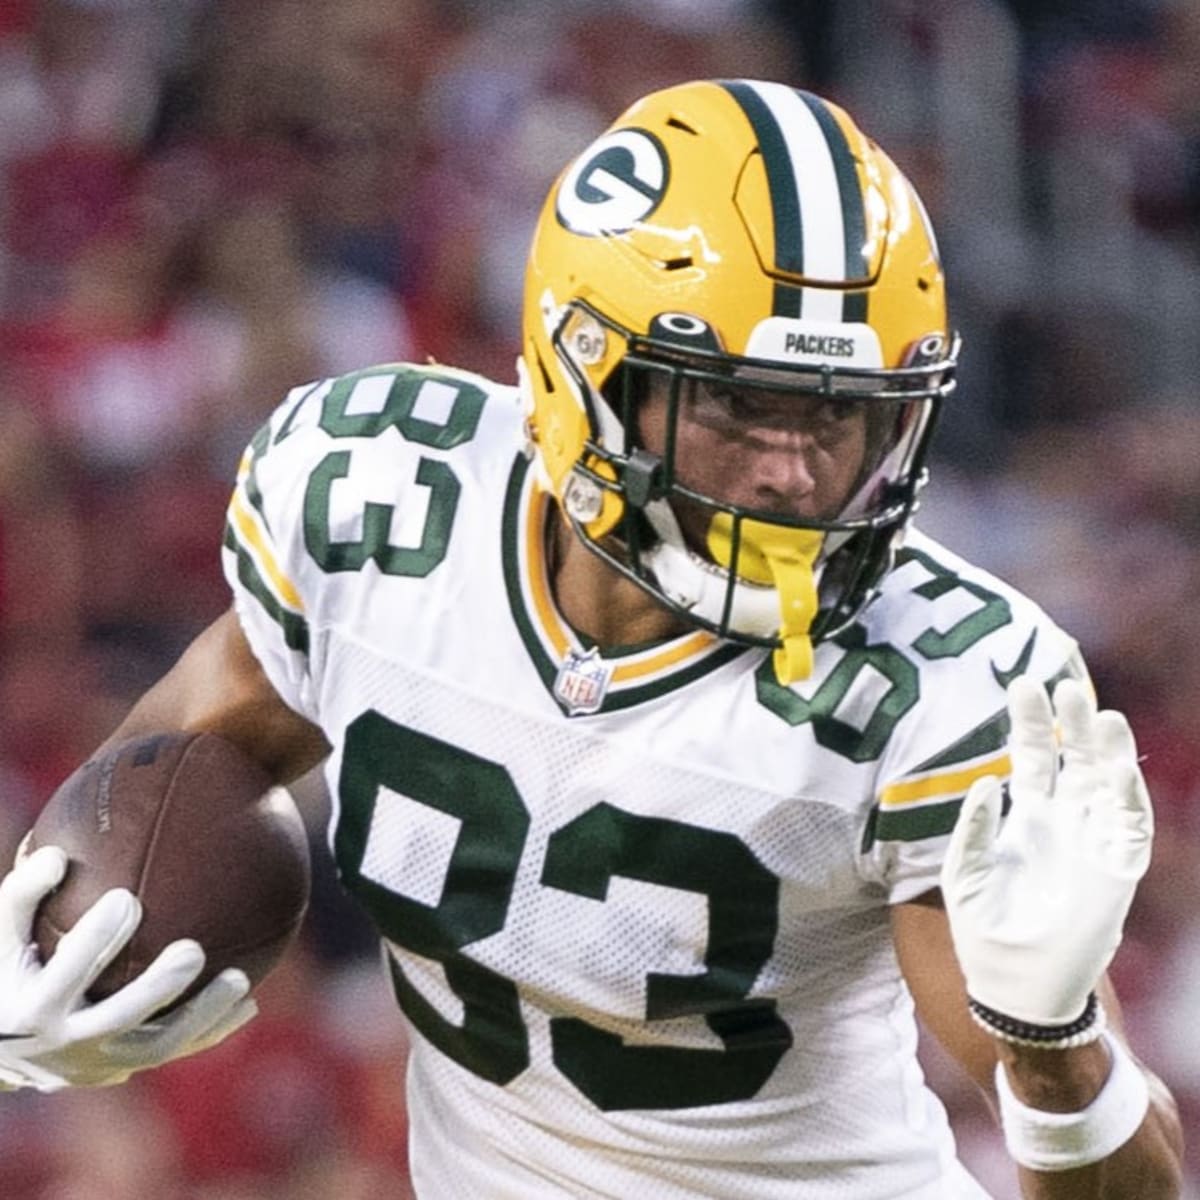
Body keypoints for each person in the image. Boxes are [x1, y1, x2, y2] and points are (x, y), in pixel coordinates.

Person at [0, 79, 1184, 1199]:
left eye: (842, 416)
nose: (795, 472)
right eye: (737, 404)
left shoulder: (942, 684)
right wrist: (32, 970)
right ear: (583, 369)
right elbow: (158, 789)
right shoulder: (386, 510)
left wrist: (1056, 1047)